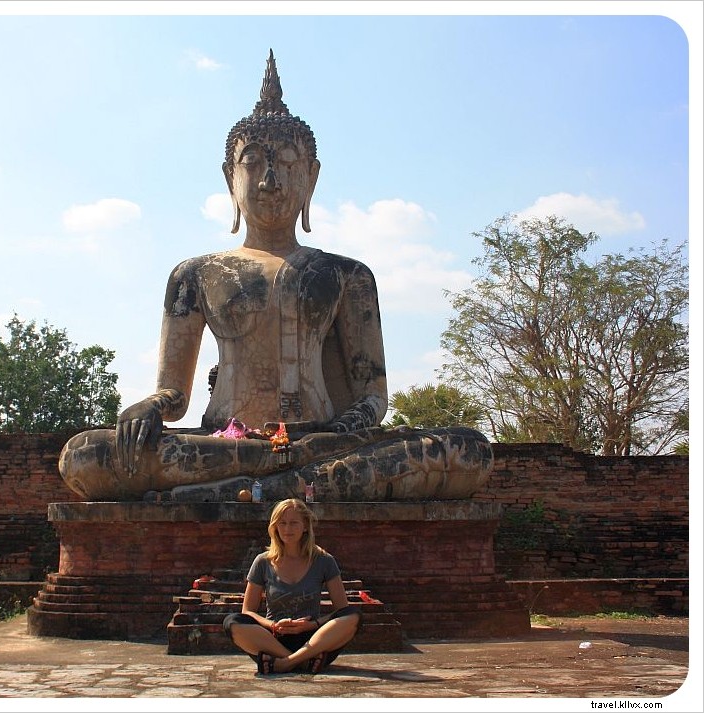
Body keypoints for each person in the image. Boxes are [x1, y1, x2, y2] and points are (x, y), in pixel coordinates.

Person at [58, 50, 493, 502]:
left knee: (469, 449)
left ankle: (254, 486)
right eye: (253, 162)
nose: (270, 179)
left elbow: (372, 397)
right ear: (231, 177)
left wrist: (333, 435)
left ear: (311, 178)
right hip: (228, 445)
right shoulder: (195, 274)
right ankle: (284, 479)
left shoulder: (348, 275)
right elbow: (175, 395)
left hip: (322, 441)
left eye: (287, 162)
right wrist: (150, 406)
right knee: (84, 455)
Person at [224, 498, 362, 675]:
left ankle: (285, 663)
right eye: (282, 523)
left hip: (313, 639)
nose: (287, 529)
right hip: (273, 639)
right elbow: (248, 611)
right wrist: (273, 626)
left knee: (354, 616)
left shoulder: (324, 560)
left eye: (294, 523)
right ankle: (303, 662)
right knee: (232, 623)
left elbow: (342, 610)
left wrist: (312, 625)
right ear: (275, 527)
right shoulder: (263, 561)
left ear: (305, 526)